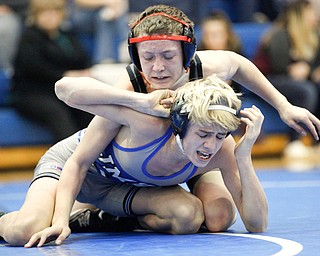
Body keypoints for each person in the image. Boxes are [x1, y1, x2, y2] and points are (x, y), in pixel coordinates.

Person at [52, 3, 319, 235]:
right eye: (148, 57)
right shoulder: (133, 85)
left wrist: (284, 106)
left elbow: (238, 64)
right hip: (144, 163)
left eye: (168, 56)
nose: (158, 67)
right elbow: (66, 90)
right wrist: (141, 101)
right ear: (137, 58)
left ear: (187, 54)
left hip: (194, 155)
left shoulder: (204, 67)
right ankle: (119, 211)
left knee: (220, 217)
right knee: (185, 215)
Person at [0, 75, 268, 247]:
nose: (210, 145)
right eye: (203, 134)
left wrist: (243, 157)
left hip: (121, 187)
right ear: (179, 125)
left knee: (188, 217)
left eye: (220, 135)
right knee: (25, 230)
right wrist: (60, 220)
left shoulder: (222, 148)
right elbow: (78, 161)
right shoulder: (146, 125)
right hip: (76, 168)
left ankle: (96, 218)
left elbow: (257, 224)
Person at [10, 0, 93, 143]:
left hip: (60, 92)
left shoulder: (66, 36)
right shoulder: (29, 37)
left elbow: (82, 58)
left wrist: (83, 72)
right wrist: (64, 75)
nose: (51, 17)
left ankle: (97, 155)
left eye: (55, 12)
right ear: (35, 16)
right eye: (45, 13)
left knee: (90, 109)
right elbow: (33, 67)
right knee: (56, 112)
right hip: (32, 94)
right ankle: (69, 159)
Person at [253, 0, 320, 164]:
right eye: (311, 13)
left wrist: (311, 71)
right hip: (266, 82)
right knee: (305, 90)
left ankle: (317, 141)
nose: (316, 17)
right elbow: (280, 68)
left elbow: (312, 65)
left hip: (294, 82)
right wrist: (307, 72)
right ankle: (294, 141)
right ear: (299, 17)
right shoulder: (280, 35)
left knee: (312, 86)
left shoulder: (314, 36)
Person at [198, 10, 242, 92]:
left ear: (227, 35)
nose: (210, 39)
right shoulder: (196, 59)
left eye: (216, 35)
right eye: (206, 35)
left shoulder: (239, 57)